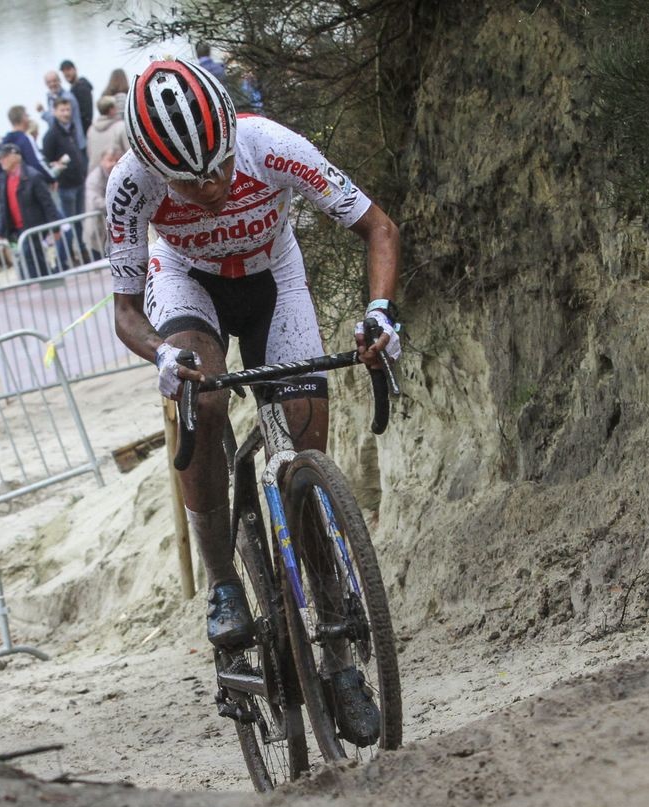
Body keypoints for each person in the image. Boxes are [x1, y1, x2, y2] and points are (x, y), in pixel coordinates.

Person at [108, 59, 400, 746]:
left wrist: (381, 311)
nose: (208, 188)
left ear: (232, 135)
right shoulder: (130, 184)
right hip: (188, 286)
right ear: (152, 167)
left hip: (275, 274)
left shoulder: (271, 145)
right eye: (187, 179)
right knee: (201, 403)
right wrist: (161, 355)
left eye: (216, 168)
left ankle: (340, 653)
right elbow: (124, 310)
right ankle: (222, 584)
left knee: (304, 460)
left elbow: (378, 227)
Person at [0, 143, 64, 280]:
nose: (0, 161)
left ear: (15, 157)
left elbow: (48, 203)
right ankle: (44, 285)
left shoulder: (33, 176)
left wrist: (55, 227)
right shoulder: (6, 180)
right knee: (28, 262)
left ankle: (43, 286)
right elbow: (5, 208)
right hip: (18, 231)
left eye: (4, 157)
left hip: (33, 228)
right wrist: (0, 231)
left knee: (32, 261)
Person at [41, 99, 89, 263]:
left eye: (68, 110)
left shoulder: (72, 129)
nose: (66, 113)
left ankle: (80, 251)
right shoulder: (51, 135)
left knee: (79, 222)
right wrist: (56, 166)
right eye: (62, 110)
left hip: (78, 181)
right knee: (68, 225)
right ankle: (67, 256)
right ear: (54, 112)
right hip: (65, 185)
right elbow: (46, 161)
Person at [83, 146, 121, 257]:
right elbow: (95, 201)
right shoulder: (94, 178)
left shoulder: (119, 174)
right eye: (110, 160)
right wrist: (117, 204)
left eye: (116, 160)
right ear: (102, 161)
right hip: (98, 230)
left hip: (115, 230)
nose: (113, 164)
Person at [37, 70, 86, 152]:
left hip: (75, 142)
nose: (52, 84)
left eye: (54, 81)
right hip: (62, 142)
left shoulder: (67, 98)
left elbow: (58, 120)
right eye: (49, 82)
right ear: (46, 84)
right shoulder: (51, 97)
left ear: (60, 81)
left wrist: (42, 112)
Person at [2, 105, 53, 178]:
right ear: (23, 118)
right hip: (29, 183)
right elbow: (36, 163)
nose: (29, 119)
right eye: (27, 116)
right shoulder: (26, 138)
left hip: (12, 184)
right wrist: (51, 178)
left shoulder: (4, 141)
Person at [85, 96, 125, 170]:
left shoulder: (91, 129)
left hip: (94, 172)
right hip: (114, 171)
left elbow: (89, 153)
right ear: (111, 109)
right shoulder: (120, 127)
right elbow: (129, 152)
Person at [59, 59, 95, 137]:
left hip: (84, 132)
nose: (66, 74)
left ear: (75, 69)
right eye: (64, 72)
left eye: (68, 70)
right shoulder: (73, 88)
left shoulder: (82, 87)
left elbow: (85, 114)